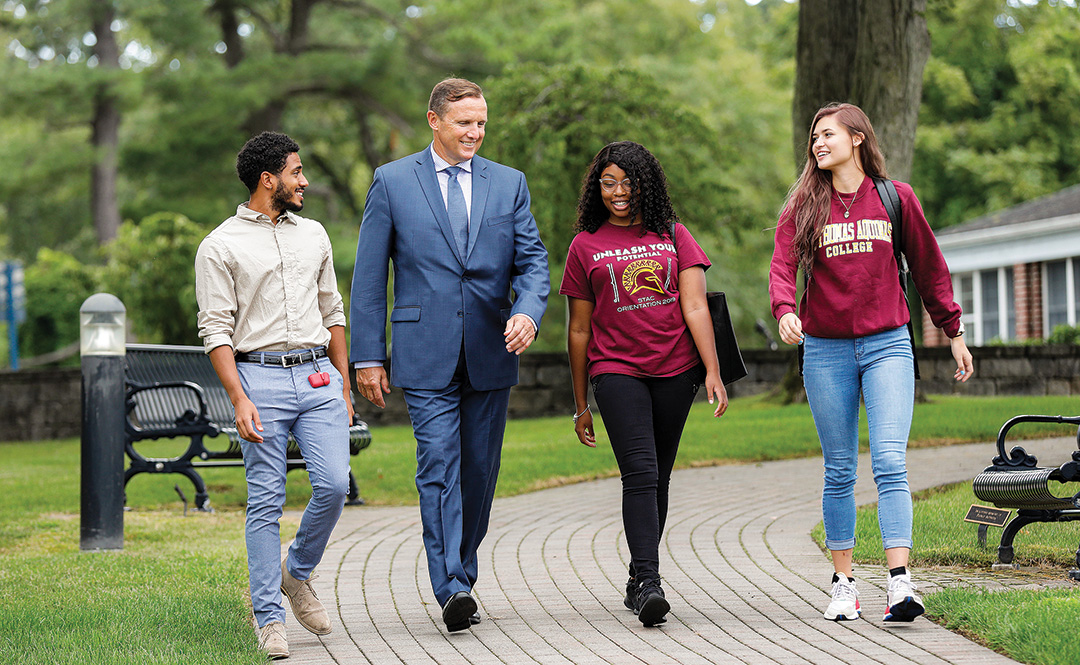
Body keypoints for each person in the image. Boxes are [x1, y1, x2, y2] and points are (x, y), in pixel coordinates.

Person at [349, 78, 549, 633]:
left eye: (481, 122)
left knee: (480, 473)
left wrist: (528, 312)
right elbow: (369, 278)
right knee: (438, 465)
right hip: (424, 351)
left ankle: (461, 570)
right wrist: (368, 357)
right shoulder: (392, 181)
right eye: (465, 122)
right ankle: (452, 587)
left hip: (492, 349)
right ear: (434, 120)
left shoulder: (508, 183)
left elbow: (533, 263)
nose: (475, 132)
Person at [769, 103, 974, 623]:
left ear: (857, 138)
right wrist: (785, 309)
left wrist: (953, 331)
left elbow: (929, 268)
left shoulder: (894, 197)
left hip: (888, 344)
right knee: (839, 468)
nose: (818, 143)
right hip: (825, 350)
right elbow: (782, 266)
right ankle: (843, 585)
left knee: (889, 460)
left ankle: (900, 583)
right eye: (814, 137)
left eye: (828, 134)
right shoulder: (804, 205)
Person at [195, 131, 354, 659]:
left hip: (317, 378)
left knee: (334, 485)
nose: (304, 181)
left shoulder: (314, 235)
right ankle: (269, 618)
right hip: (258, 380)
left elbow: (332, 310)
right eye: (296, 172)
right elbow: (216, 329)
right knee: (266, 500)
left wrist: (343, 383)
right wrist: (239, 398)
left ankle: (296, 571)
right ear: (269, 180)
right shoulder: (220, 245)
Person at [560, 141, 727, 627]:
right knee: (640, 472)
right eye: (608, 182)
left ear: (645, 185)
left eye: (627, 183)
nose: (618, 192)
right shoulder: (585, 244)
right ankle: (651, 583)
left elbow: (694, 306)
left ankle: (637, 577)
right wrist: (580, 402)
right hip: (615, 369)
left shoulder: (673, 233)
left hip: (676, 369)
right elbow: (579, 329)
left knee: (660, 475)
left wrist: (712, 370)